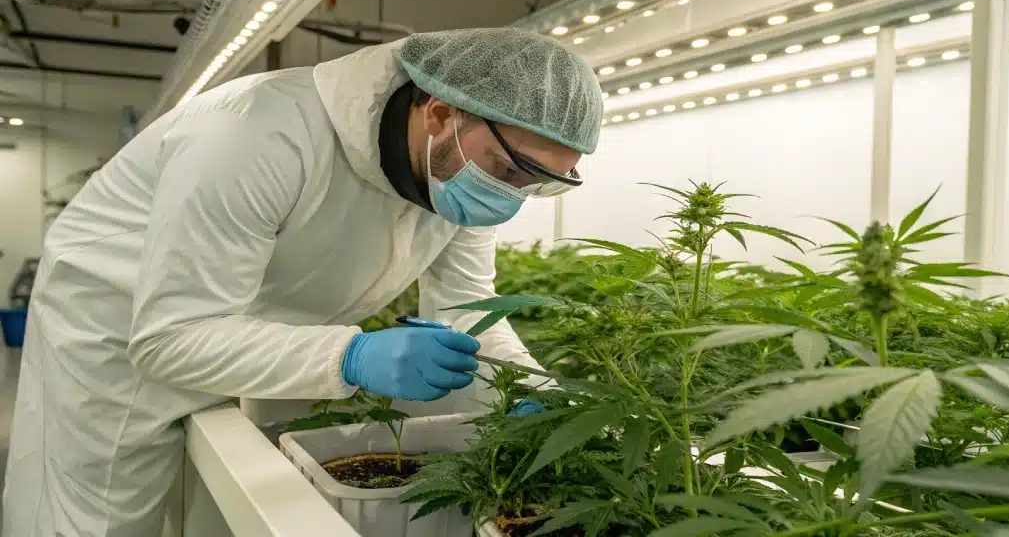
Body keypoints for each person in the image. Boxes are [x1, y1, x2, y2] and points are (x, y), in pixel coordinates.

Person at [2, 27, 603, 537]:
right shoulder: (258, 134)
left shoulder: (459, 183)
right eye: (508, 169)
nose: (511, 197)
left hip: (251, 326)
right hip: (118, 333)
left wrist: (537, 392)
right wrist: (353, 353)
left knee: (211, 508)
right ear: (441, 113)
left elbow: (470, 313)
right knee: (106, 517)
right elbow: (169, 337)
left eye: (539, 182)